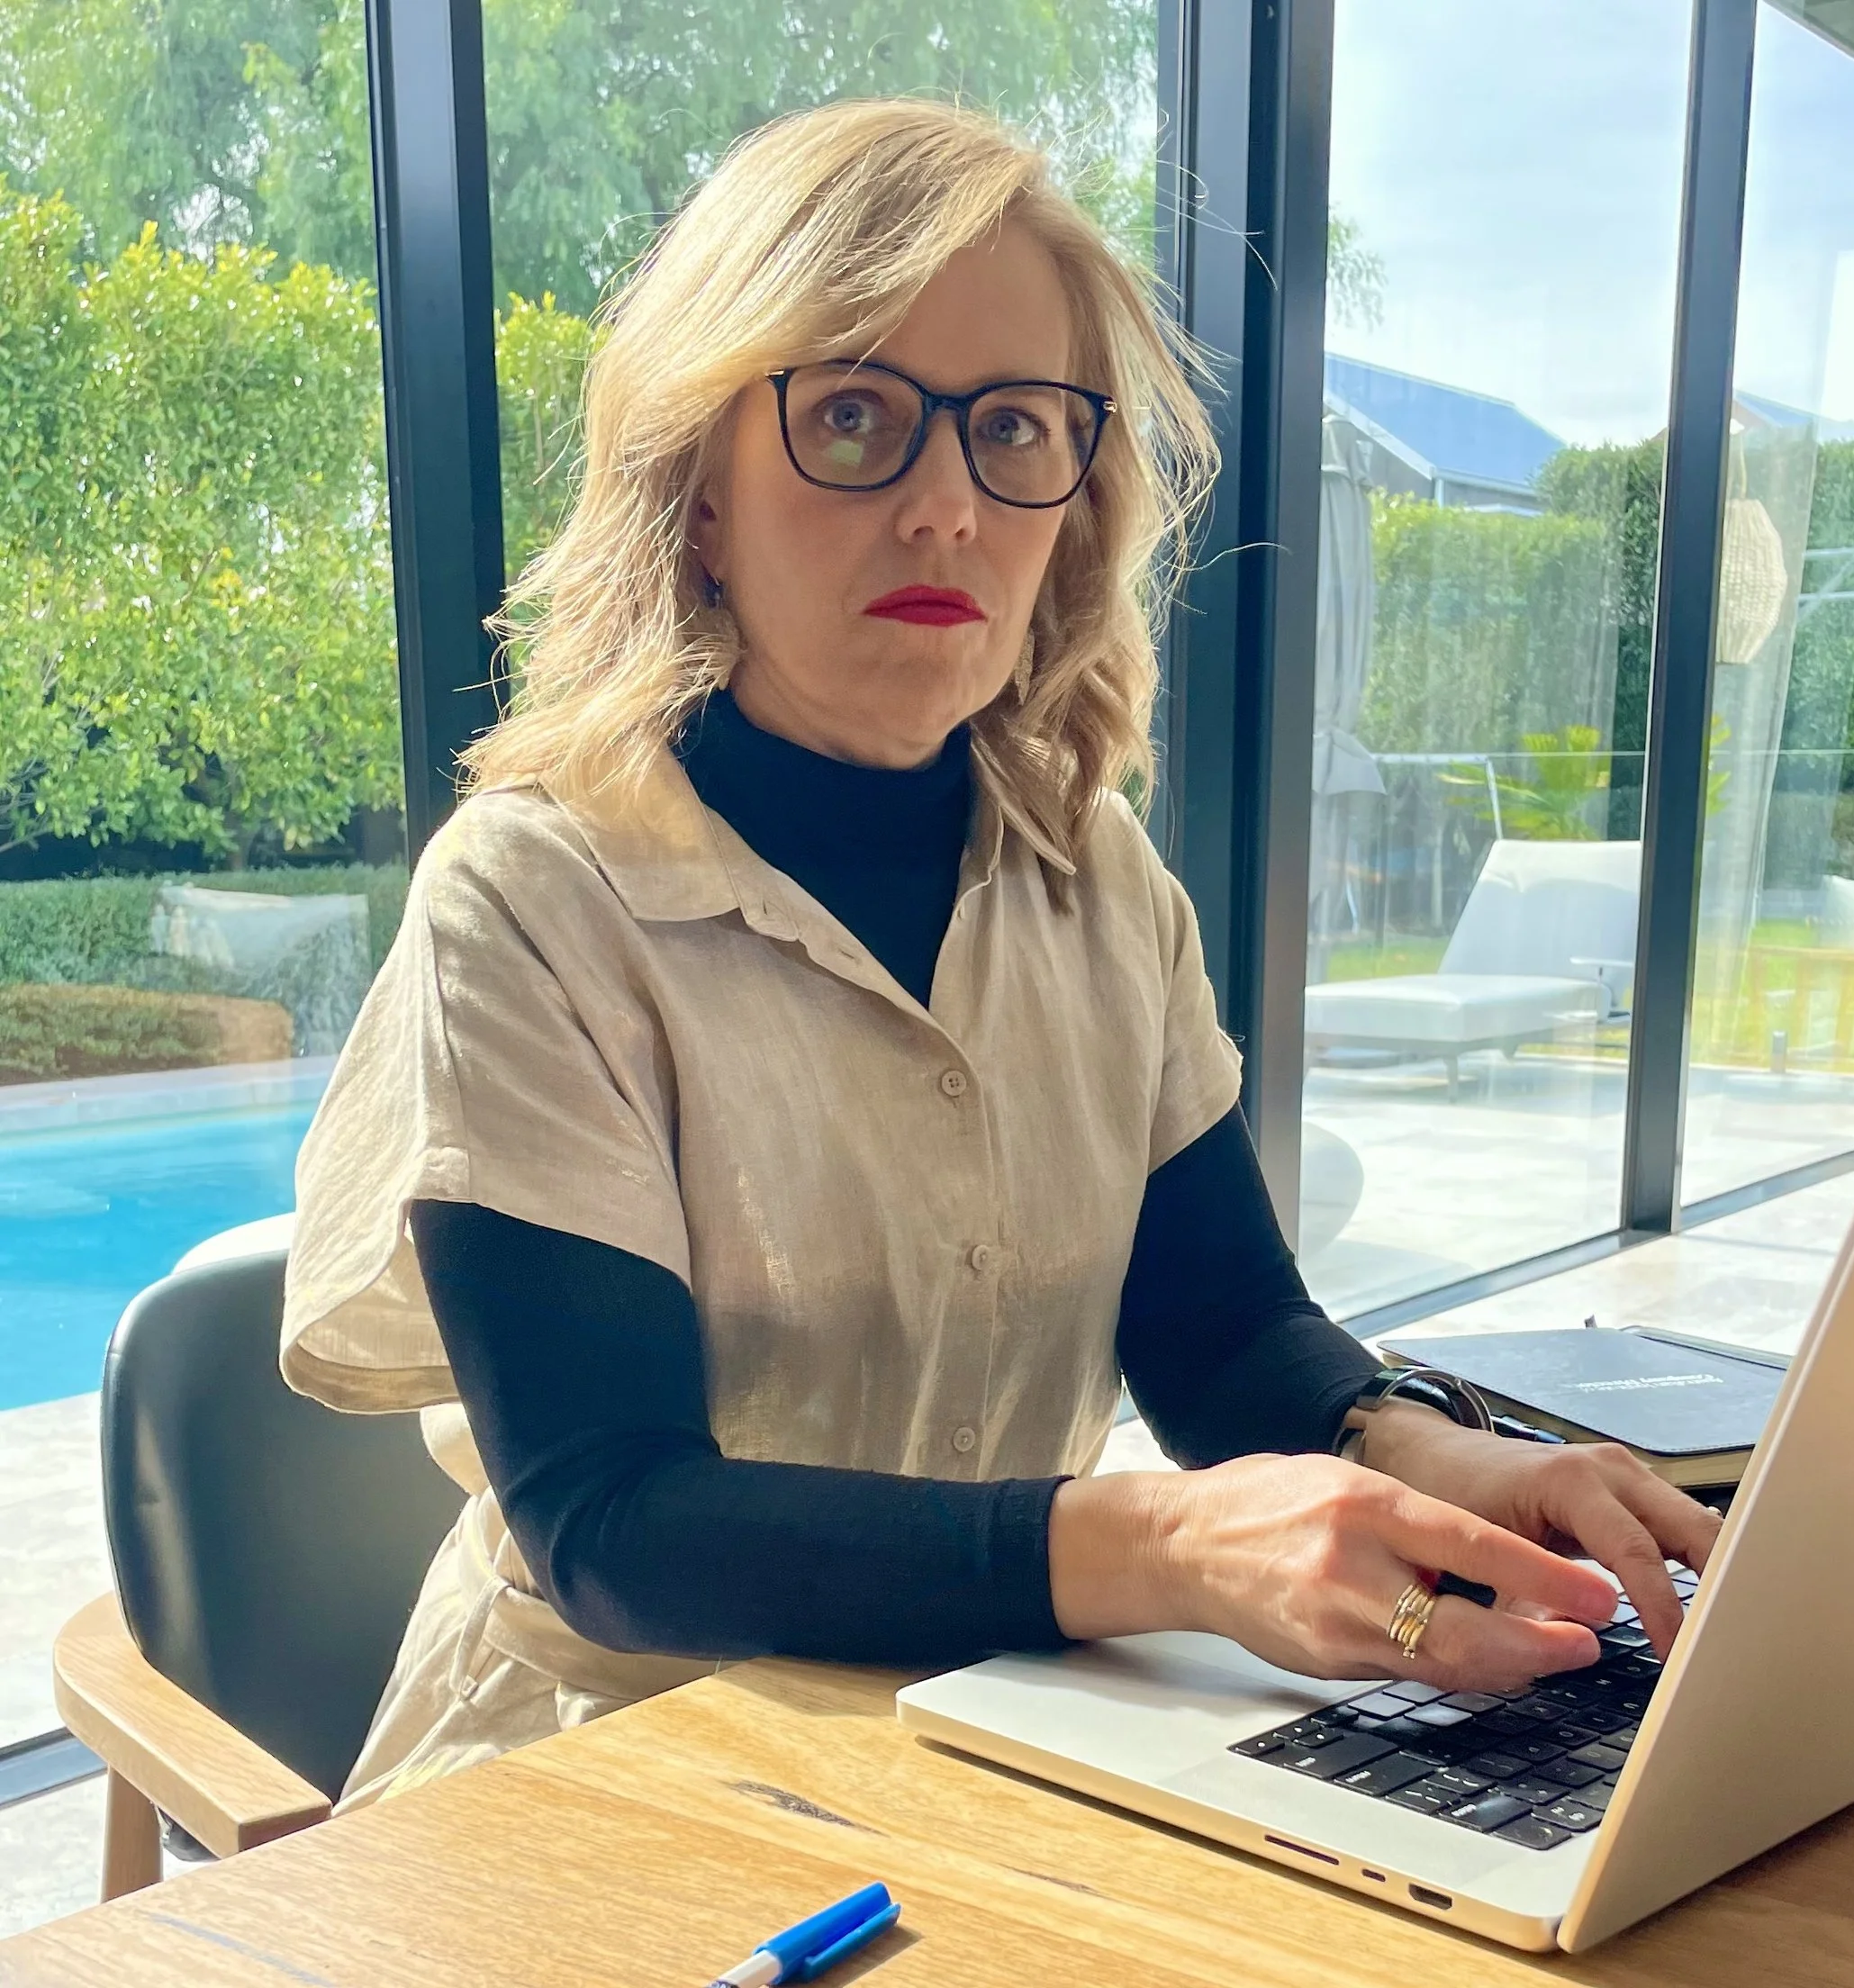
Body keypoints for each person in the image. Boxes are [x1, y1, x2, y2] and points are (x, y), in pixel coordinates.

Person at [281, 97, 1718, 1814]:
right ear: (700, 496)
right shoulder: (530, 901)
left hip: (990, 1726)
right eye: (857, 418)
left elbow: (1226, 1332)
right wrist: (1171, 1542)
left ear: (1076, 502)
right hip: (593, 1773)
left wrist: (1428, 1456)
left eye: (1016, 430)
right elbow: (613, 1522)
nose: (948, 507)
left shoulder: (1103, 883)